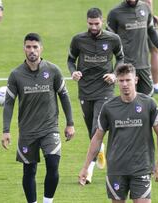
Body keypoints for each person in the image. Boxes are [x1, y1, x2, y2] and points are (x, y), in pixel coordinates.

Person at [1, 33, 75, 203]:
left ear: (41, 48)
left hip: (50, 129)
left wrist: (70, 123)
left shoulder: (53, 70)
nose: (32, 50)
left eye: (35, 47)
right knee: (29, 171)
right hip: (27, 132)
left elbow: (64, 96)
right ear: (24, 49)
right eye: (28, 47)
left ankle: (47, 202)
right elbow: (9, 104)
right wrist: (6, 130)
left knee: (53, 164)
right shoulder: (16, 75)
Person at [79, 63, 158, 203]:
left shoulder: (149, 104)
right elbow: (97, 138)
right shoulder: (108, 107)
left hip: (141, 167)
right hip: (116, 168)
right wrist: (85, 167)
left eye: (128, 80)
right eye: (121, 80)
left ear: (136, 80)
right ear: (116, 81)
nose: (125, 84)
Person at [67, 8, 124, 184]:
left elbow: (121, 58)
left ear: (102, 21)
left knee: (96, 129)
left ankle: (88, 171)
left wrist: (114, 74)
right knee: (92, 133)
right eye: (90, 24)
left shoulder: (113, 39)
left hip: (105, 90)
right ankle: (100, 148)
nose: (93, 27)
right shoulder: (78, 40)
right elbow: (70, 60)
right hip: (85, 90)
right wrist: (73, 71)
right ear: (87, 22)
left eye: (96, 23)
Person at [107, 0, 158, 96]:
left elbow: (152, 31)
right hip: (126, 65)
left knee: (148, 100)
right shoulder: (115, 13)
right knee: (129, 100)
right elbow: (108, 39)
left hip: (144, 65)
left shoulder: (145, 8)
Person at [141, 0, 158, 94]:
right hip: (144, 21)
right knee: (155, 51)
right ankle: (155, 86)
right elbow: (147, 2)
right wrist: (151, 18)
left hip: (136, 19)